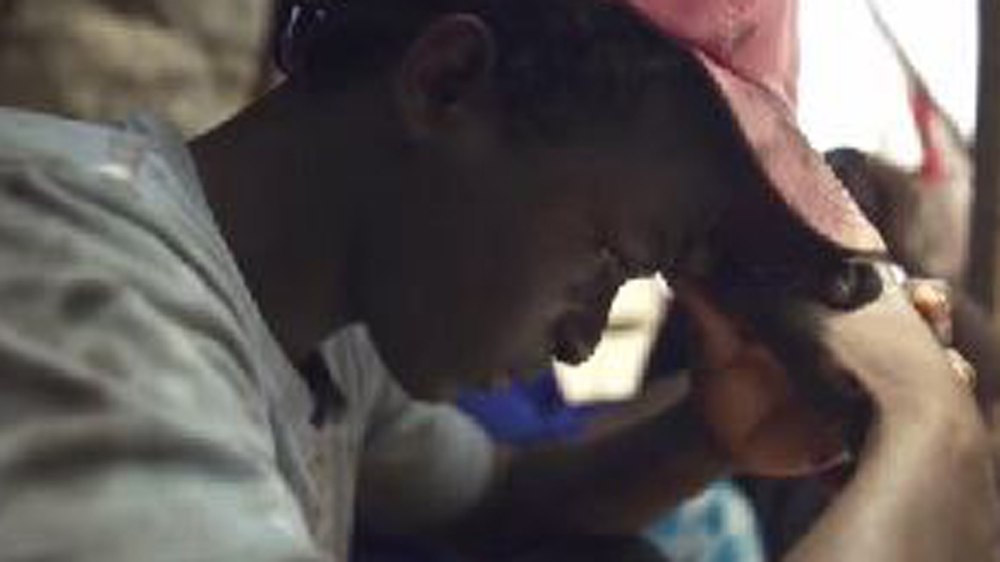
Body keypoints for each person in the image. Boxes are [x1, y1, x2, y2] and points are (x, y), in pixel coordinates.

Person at [0, 2, 994, 562]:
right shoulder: (69, 281)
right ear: (446, 82)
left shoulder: (322, 340)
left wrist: (704, 434)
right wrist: (934, 440)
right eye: (610, 259)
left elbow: (492, 500)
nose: (581, 339)